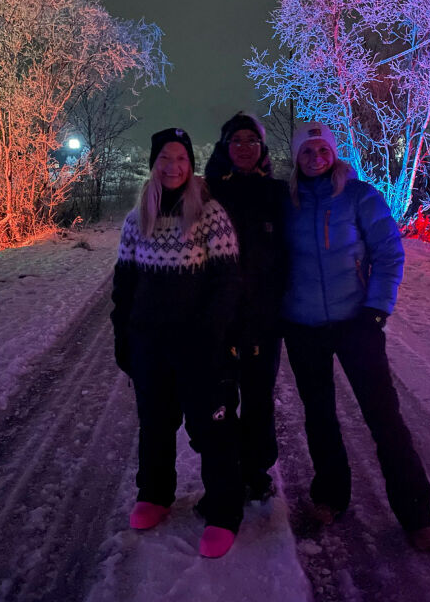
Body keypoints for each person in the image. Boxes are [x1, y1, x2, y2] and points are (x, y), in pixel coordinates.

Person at [282, 121, 430, 552]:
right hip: (303, 327)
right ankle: (330, 496)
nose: (316, 157)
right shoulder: (287, 202)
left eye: (322, 149)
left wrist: (376, 309)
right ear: (296, 158)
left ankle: (416, 514)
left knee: (383, 416)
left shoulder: (359, 196)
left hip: (357, 323)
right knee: (320, 416)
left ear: (333, 152)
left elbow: (390, 253)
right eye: (307, 151)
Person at [110, 127, 245, 559]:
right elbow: (125, 286)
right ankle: (154, 494)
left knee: (211, 430)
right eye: (166, 159)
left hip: (199, 346)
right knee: (155, 424)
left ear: (191, 164)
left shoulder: (208, 213)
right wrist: (123, 335)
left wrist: (213, 334)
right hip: (150, 343)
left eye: (181, 159)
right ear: (154, 165)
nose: (174, 167)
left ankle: (224, 512)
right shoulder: (138, 219)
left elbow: (228, 282)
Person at [204, 112, 289, 502]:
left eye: (251, 141)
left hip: (263, 320)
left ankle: (255, 470)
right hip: (217, 320)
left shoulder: (277, 194)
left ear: (262, 149)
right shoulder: (206, 194)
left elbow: (290, 255)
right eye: (236, 140)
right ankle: (223, 474)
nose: (243, 148)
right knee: (218, 401)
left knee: (258, 399)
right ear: (225, 147)